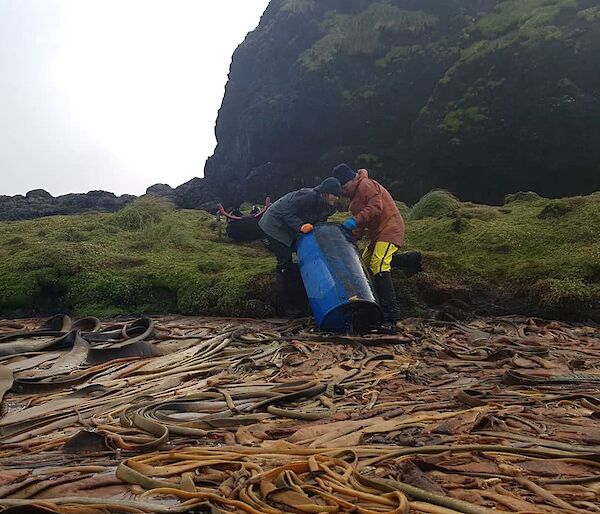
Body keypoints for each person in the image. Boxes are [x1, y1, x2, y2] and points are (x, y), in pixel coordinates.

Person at [259, 177, 342, 316]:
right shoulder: (308, 195)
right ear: (326, 192)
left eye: (338, 196)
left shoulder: (328, 207)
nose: (336, 198)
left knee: (303, 261)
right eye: (334, 194)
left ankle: (303, 303)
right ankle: (284, 307)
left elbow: (319, 224)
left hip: (289, 228)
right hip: (274, 224)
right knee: (285, 263)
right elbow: (287, 211)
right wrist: (300, 226)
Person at [333, 163, 405, 325]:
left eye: (344, 187)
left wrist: (355, 220)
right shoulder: (353, 202)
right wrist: (350, 237)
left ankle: (392, 312)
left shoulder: (366, 184)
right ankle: (411, 261)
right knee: (363, 266)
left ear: (352, 180)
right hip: (376, 235)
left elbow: (375, 207)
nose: (343, 192)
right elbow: (359, 226)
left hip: (389, 228)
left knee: (379, 264)